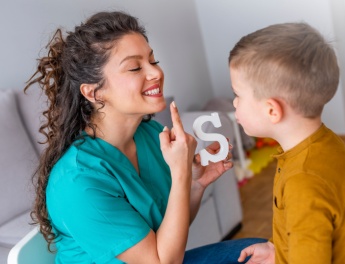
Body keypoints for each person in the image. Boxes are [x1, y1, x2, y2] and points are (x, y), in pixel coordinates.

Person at [25, 11, 264, 264]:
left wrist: (194, 185)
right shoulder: (78, 181)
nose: (156, 73)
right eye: (135, 67)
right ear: (94, 92)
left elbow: (169, 231)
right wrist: (180, 173)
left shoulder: (149, 135)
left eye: (153, 60)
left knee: (262, 254)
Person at [228, 23, 345, 263]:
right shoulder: (323, 141)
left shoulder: (304, 181)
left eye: (238, 95)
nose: (234, 104)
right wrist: (277, 249)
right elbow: (308, 229)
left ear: (271, 110)